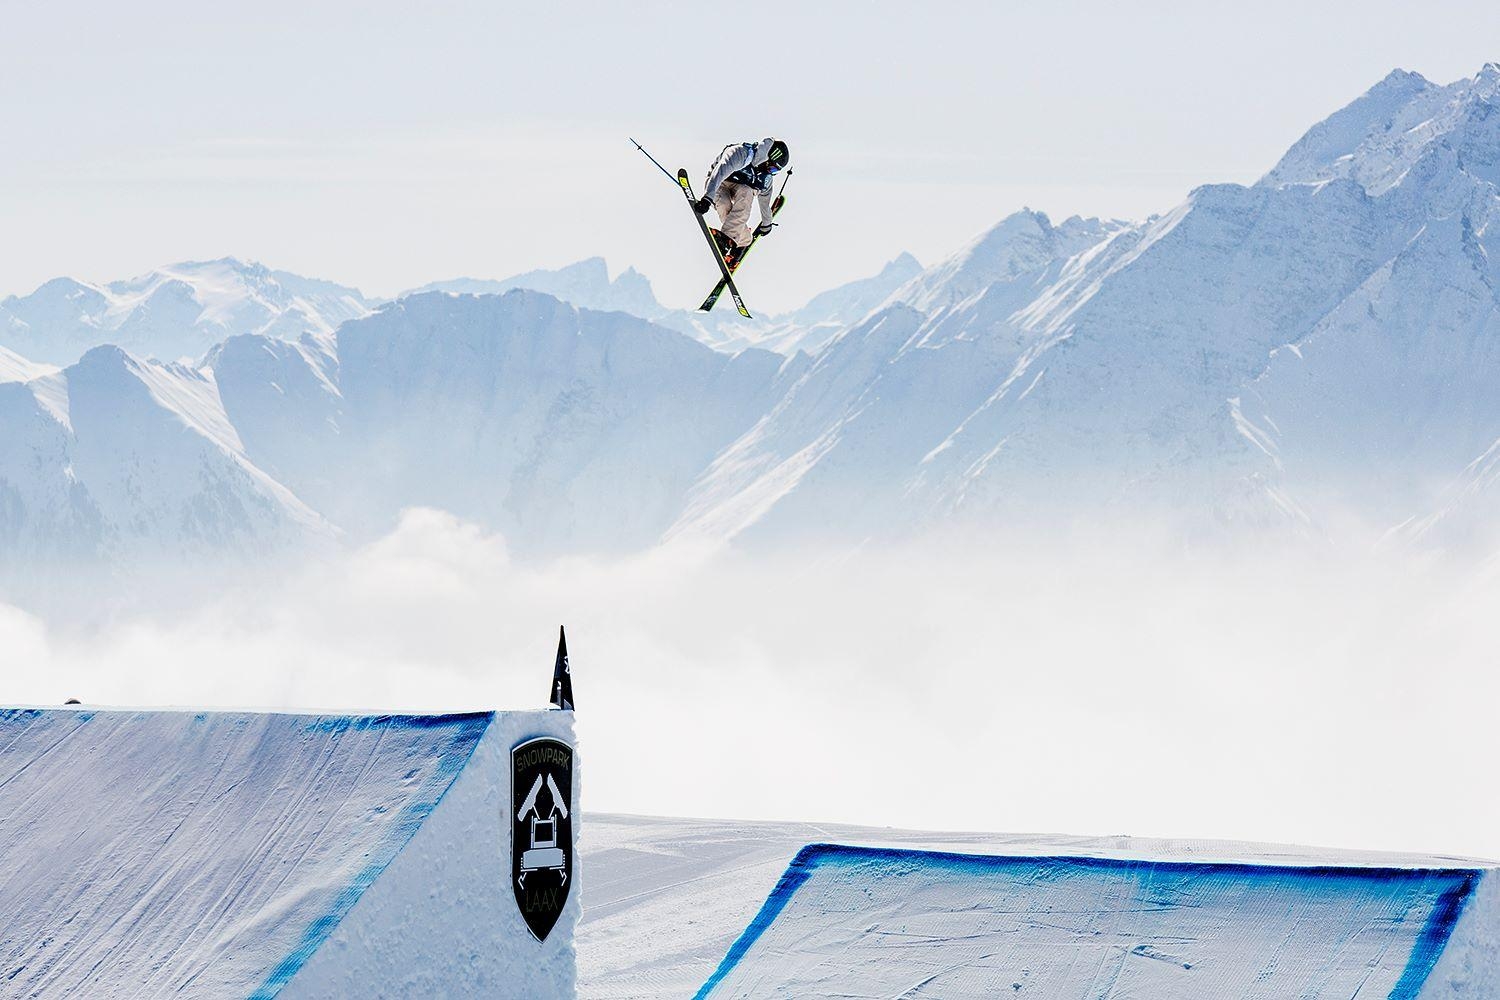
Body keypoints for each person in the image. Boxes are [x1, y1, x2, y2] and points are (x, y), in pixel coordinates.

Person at [692, 138, 790, 264]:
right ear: (765, 157)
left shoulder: (766, 178)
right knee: (724, 205)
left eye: (775, 171)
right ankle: (743, 239)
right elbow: (719, 173)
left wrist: (767, 223)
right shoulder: (740, 154)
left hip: (741, 189)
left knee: (747, 192)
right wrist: (707, 198)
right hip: (719, 182)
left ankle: (727, 239)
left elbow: (765, 201)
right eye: (771, 168)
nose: (770, 172)